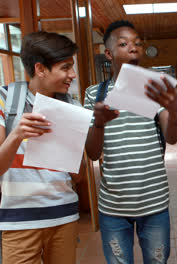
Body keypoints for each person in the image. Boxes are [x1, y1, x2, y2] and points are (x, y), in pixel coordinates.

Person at [84, 20, 177, 264]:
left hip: (155, 202)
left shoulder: (155, 91)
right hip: (113, 208)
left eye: (138, 44)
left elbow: (171, 138)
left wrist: (176, 111)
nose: (134, 48)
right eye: (123, 44)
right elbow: (93, 154)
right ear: (108, 53)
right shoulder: (94, 94)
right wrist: (98, 123)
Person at [0, 31, 81, 263]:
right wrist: (16, 135)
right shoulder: (5, 100)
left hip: (64, 215)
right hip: (19, 222)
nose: (72, 75)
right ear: (40, 69)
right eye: (65, 67)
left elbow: (79, 177)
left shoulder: (72, 106)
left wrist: (70, 149)